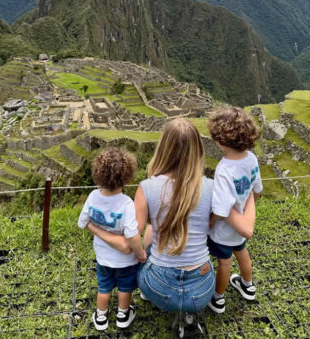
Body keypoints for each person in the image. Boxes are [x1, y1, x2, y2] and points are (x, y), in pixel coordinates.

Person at [86, 118, 255, 336]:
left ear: (164, 147)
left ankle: (150, 296)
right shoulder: (212, 187)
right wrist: (250, 195)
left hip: (157, 287)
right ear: (198, 149)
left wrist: (98, 229)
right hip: (202, 289)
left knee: (150, 232)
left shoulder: (146, 188)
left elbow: (132, 235)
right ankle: (190, 313)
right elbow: (241, 228)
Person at [78, 148, 146, 331]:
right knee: (125, 288)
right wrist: (140, 253)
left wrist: (95, 227)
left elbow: (82, 221)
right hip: (125, 261)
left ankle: (101, 317)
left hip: (103, 257)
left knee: (104, 287)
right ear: (126, 177)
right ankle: (123, 315)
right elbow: (132, 235)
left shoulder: (93, 196)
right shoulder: (126, 204)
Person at [205, 107, 262, 313]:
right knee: (242, 253)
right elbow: (256, 190)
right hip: (241, 226)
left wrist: (211, 220)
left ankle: (218, 298)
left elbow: (221, 209)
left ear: (220, 141)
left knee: (225, 263)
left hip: (223, 231)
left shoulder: (224, 169)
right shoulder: (252, 159)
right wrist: (248, 208)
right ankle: (248, 286)